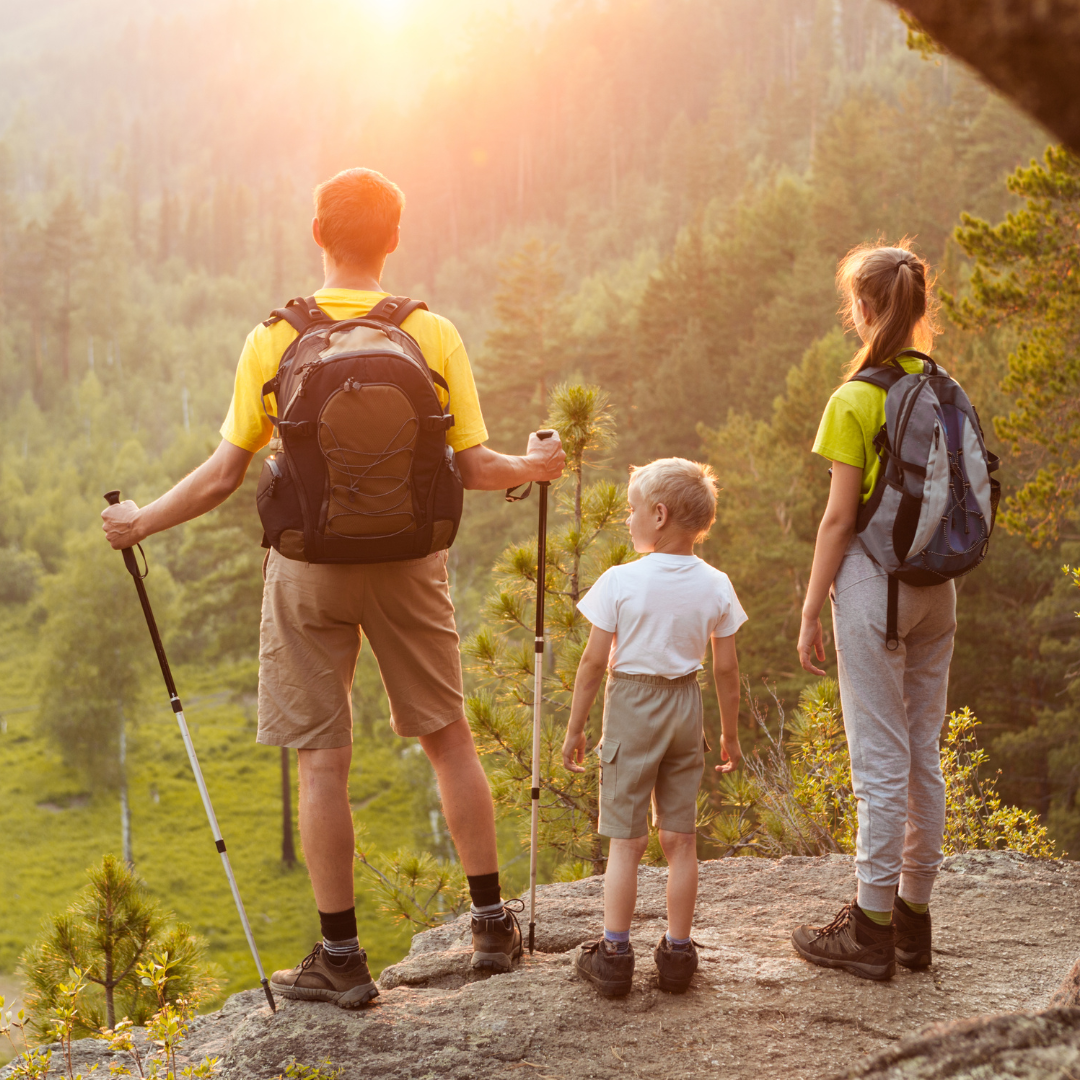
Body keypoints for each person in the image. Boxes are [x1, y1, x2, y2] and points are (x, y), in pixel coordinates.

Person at [101, 167, 565, 1008]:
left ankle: (342, 958)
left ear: (318, 234)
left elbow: (222, 476)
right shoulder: (431, 332)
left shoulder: (274, 338)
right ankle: (492, 924)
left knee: (323, 761)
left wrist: (141, 522)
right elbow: (475, 467)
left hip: (309, 571)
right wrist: (534, 468)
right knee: (448, 737)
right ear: (395, 239)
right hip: (410, 565)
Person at [791, 241, 950, 981]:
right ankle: (914, 922)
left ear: (860, 308)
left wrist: (810, 607)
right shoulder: (942, 386)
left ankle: (869, 930)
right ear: (917, 307)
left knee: (879, 763)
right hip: (937, 589)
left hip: (874, 590)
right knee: (922, 755)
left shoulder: (855, 399)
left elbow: (836, 520)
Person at [561, 457, 745, 997]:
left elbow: (593, 663)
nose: (628, 518)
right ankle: (678, 954)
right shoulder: (716, 584)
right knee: (680, 839)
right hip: (687, 705)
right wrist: (729, 734)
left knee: (627, 840)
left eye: (633, 509)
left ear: (659, 515)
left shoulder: (620, 580)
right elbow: (726, 670)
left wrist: (575, 728)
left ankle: (615, 954)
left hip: (632, 705)